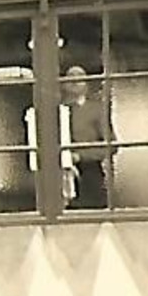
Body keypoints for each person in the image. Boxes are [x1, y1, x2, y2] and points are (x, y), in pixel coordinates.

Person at [64, 66, 113, 209]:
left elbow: (110, 146)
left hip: (90, 174)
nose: (74, 81)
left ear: (86, 83)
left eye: (79, 77)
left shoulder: (96, 110)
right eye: (70, 77)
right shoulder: (58, 110)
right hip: (61, 175)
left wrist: (81, 156)